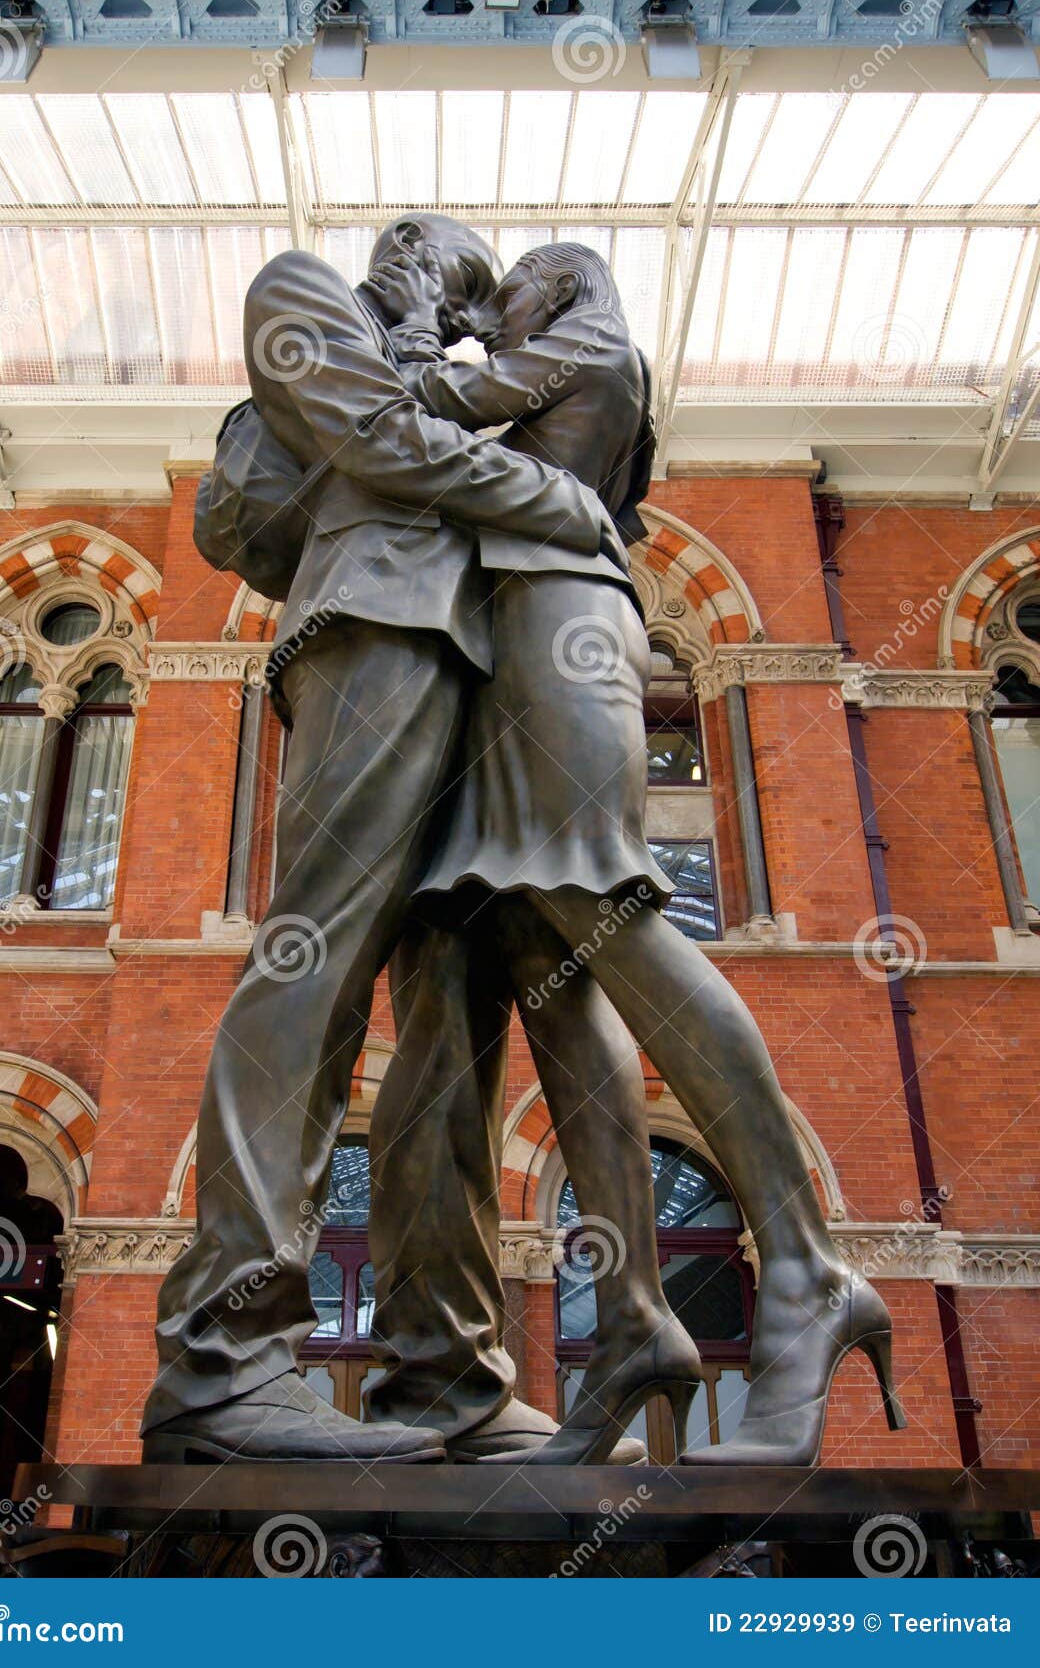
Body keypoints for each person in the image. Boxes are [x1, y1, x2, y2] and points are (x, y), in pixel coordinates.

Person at [364, 243, 906, 1466]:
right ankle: (637, 1322)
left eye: (508, 301)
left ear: (560, 285)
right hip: (512, 644)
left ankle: (810, 1269)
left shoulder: (589, 342)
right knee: (537, 949)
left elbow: (424, 413)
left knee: (597, 898)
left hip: (562, 632)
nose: (492, 322)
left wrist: (405, 326)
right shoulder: (564, 361)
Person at [141, 216, 620, 1464]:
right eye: (456, 282)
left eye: (475, 307)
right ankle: (220, 1358)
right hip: (374, 633)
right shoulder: (300, 295)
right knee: (317, 964)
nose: (460, 316)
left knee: (456, 1026)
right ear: (401, 250)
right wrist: (557, 501)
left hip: (480, 667)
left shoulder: (450, 378)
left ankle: (442, 1378)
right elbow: (362, 450)